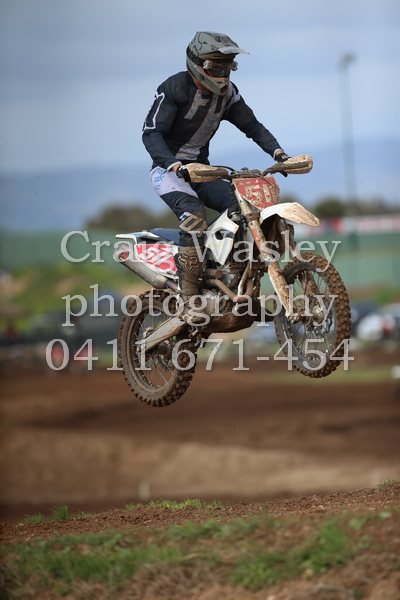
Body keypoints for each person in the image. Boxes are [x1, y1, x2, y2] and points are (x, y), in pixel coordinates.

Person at [142, 31, 290, 321]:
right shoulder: (175, 88)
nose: (222, 73)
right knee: (195, 215)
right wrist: (174, 165)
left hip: (203, 172)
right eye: (215, 66)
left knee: (244, 208)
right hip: (168, 172)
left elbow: (253, 126)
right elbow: (151, 133)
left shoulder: (229, 94)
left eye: (227, 66)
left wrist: (279, 153)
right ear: (197, 63)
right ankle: (188, 298)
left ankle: (238, 283)